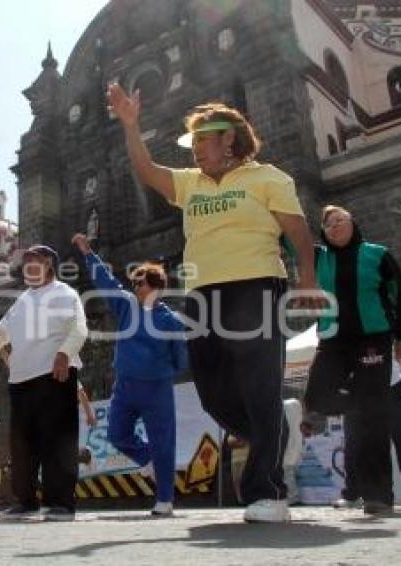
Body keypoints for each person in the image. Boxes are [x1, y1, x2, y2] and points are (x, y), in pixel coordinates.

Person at [107, 85, 319, 523]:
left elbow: (298, 232)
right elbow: (146, 170)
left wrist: (308, 279)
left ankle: (268, 491)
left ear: (229, 139)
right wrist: (131, 125)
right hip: (203, 296)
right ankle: (277, 433)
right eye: (194, 141)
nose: (196, 149)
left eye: (203, 140)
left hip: (257, 285)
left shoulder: (269, 179)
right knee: (212, 394)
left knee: (260, 386)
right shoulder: (190, 184)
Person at [304, 206, 401, 515]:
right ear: (323, 232)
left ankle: (378, 496)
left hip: (373, 339)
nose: (335, 226)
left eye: (340, 220)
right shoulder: (317, 257)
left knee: (372, 421)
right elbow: (290, 239)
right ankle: (332, 409)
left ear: (353, 223)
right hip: (333, 339)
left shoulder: (377, 254)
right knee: (317, 389)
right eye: (328, 224)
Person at [0, 244, 88, 522]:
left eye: (35, 260)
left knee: (58, 441)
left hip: (55, 374)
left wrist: (65, 354)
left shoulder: (65, 294)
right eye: (26, 261)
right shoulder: (22, 301)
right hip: (21, 379)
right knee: (22, 443)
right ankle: (25, 500)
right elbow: (0, 334)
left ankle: (62, 503)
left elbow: (79, 328)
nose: (28, 264)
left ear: (49, 263)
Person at [73, 233, 187, 517]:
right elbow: (106, 282)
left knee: (163, 440)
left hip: (157, 387)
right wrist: (88, 253)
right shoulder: (125, 305)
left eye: (141, 283)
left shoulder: (170, 321)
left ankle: (164, 500)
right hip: (125, 385)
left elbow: (181, 356)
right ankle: (148, 459)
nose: (135, 287)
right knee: (115, 434)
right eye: (134, 282)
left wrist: (164, 372)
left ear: (157, 287)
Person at [333, 360, 401, 510]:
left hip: (391, 384)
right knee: (353, 440)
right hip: (355, 387)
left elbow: (399, 337)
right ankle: (353, 493)